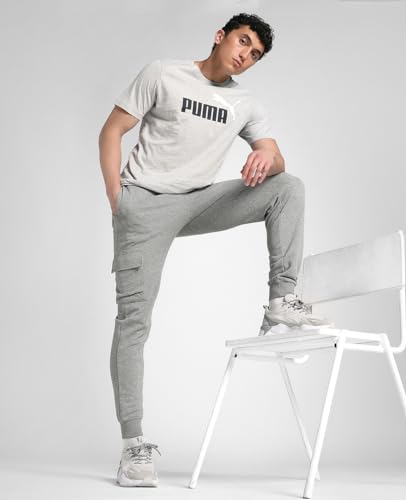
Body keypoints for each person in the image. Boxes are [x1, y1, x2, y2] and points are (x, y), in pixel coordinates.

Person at [98, 12, 332, 488]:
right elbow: (111, 131)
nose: (246, 55)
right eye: (243, 42)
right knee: (134, 322)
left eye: (255, 54)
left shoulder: (246, 104)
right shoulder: (163, 73)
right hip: (144, 205)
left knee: (288, 186)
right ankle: (133, 446)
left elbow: (276, 158)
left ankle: (282, 298)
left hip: (199, 202)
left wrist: (268, 155)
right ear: (220, 36)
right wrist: (117, 199)